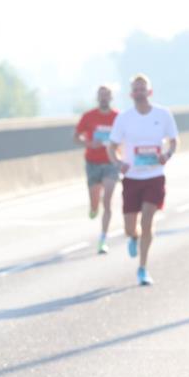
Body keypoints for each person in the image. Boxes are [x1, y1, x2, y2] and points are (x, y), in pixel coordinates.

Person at [106, 74, 179, 286]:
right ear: (131, 94)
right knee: (131, 227)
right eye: (136, 89)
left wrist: (167, 155)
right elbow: (112, 147)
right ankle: (133, 237)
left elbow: (174, 141)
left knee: (148, 220)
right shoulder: (124, 118)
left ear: (150, 92)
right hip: (132, 177)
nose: (139, 92)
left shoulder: (163, 114)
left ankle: (143, 267)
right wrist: (119, 163)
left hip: (154, 176)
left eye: (142, 89)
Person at [74, 85, 119, 253]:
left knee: (107, 200)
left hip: (111, 162)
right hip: (93, 162)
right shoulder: (89, 116)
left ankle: (103, 239)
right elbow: (75, 137)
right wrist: (89, 143)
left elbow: (126, 136)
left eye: (107, 95)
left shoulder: (118, 117)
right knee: (95, 202)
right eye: (101, 95)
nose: (104, 98)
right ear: (97, 98)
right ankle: (94, 207)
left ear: (111, 97)